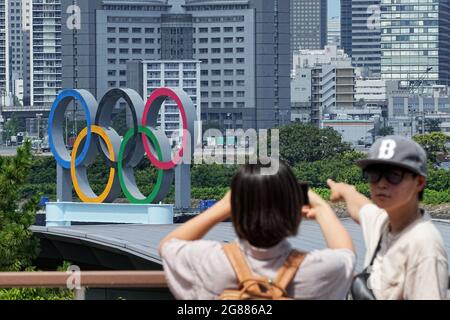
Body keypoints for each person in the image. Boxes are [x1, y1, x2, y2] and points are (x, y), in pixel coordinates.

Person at [159, 158, 355, 300]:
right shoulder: (320, 269)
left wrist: (223, 206)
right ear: (293, 211)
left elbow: (168, 245)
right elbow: (346, 255)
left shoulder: (208, 261)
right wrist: (321, 208)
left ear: (235, 209)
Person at [328, 135, 448, 300]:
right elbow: (360, 206)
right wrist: (342, 190)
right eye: (374, 174)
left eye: (394, 175)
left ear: (419, 182)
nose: (381, 184)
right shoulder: (384, 222)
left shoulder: (424, 246)